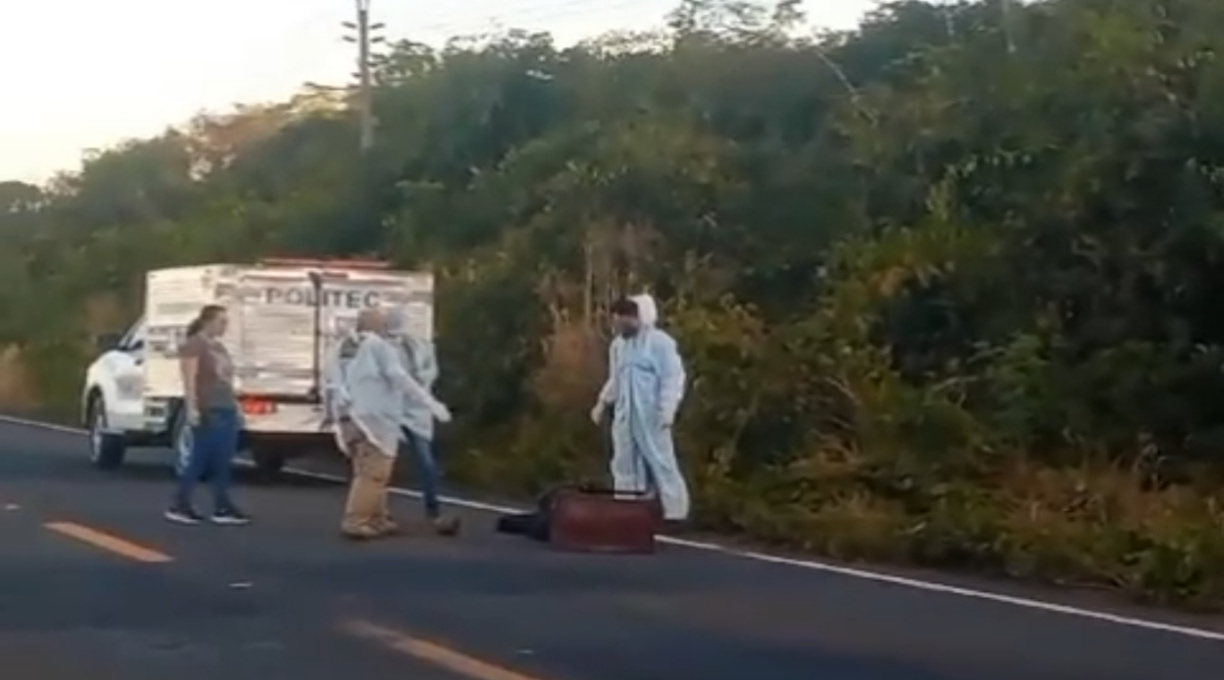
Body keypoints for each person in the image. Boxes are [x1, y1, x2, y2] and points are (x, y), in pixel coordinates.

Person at [322, 307, 452, 540]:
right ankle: (356, 520)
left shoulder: (341, 347)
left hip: (347, 417)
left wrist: (331, 415)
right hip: (374, 419)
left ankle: (377, 517)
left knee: (364, 468)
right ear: (378, 327)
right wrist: (432, 405)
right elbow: (400, 378)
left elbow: (329, 383)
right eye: (384, 324)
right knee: (374, 473)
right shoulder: (377, 346)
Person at [589, 294, 691, 522]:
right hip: (626, 415)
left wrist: (667, 410)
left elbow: (672, 378)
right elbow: (615, 378)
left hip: (651, 414)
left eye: (625, 318)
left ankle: (676, 513)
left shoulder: (660, 343)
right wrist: (603, 402)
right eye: (617, 319)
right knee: (623, 462)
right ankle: (629, 510)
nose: (619, 324)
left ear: (640, 317)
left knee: (661, 461)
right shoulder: (618, 346)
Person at [165, 304, 251, 526]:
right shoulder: (194, 346)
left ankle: (222, 505)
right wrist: (192, 408)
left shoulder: (219, 347)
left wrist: (236, 406)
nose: (224, 326)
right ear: (208, 321)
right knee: (199, 459)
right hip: (208, 408)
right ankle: (180, 503)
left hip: (226, 407)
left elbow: (226, 381)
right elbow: (189, 379)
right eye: (221, 322)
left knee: (223, 460)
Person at [386, 308, 460, 536]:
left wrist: (420, 379)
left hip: (418, 410)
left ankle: (433, 510)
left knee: (425, 461)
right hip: (391, 408)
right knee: (383, 461)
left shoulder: (424, 346)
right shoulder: (383, 348)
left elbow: (432, 371)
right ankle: (378, 511)